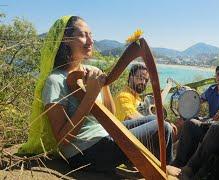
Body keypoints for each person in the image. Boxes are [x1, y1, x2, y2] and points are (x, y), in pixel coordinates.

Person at [18, 16, 175, 173]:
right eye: (83, 35)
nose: (90, 40)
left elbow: (110, 114)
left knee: (155, 120)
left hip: (104, 138)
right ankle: (163, 170)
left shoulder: (87, 73)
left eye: (91, 35)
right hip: (83, 153)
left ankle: (156, 167)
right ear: (66, 39)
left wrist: (103, 84)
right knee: (163, 127)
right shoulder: (55, 81)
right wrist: (91, 95)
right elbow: (62, 139)